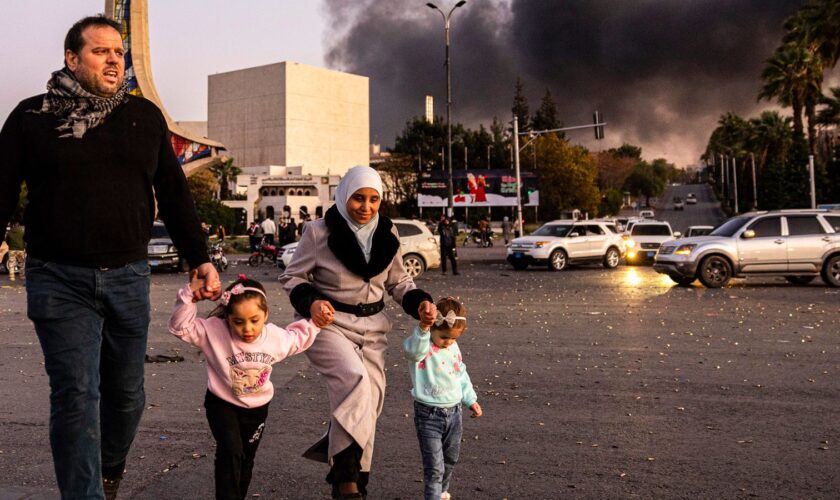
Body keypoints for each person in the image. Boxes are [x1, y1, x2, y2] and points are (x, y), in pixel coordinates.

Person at [0, 16, 221, 499]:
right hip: (57, 278)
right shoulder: (31, 117)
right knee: (76, 394)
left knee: (126, 397)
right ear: (72, 59)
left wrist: (198, 257)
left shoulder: (143, 119)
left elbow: (174, 192)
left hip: (127, 276)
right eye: (100, 52)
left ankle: (105, 472)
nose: (114, 60)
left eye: (118, 52)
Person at [280, 165, 437, 499]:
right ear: (343, 196)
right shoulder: (318, 232)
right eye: (358, 198)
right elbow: (292, 277)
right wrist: (311, 303)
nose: (365, 206)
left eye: (373, 199)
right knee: (355, 381)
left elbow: (398, 282)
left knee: (369, 403)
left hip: (373, 329)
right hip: (328, 325)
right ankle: (345, 478)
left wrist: (420, 302)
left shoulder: (389, 233)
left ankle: (354, 487)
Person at [169, 273, 321, 499]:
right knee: (231, 451)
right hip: (222, 404)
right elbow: (181, 327)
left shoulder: (274, 338)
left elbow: (297, 338)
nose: (247, 329)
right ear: (227, 317)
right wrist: (189, 294)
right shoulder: (214, 331)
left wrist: (317, 322)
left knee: (246, 458)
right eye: (238, 322)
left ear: (265, 315)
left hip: (257, 409)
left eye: (254, 320)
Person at [403, 296, 482, 500]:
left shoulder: (453, 347)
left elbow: (460, 373)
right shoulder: (422, 345)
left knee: (450, 459)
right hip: (428, 415)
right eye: (445, 336)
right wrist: (423, 328)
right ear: (433, 329)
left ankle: (442, 491)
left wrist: (470, 399)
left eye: (454, 338)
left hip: (454, 413)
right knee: (434, 467)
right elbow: (412, 351)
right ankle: (434, 495)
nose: (448, 342)